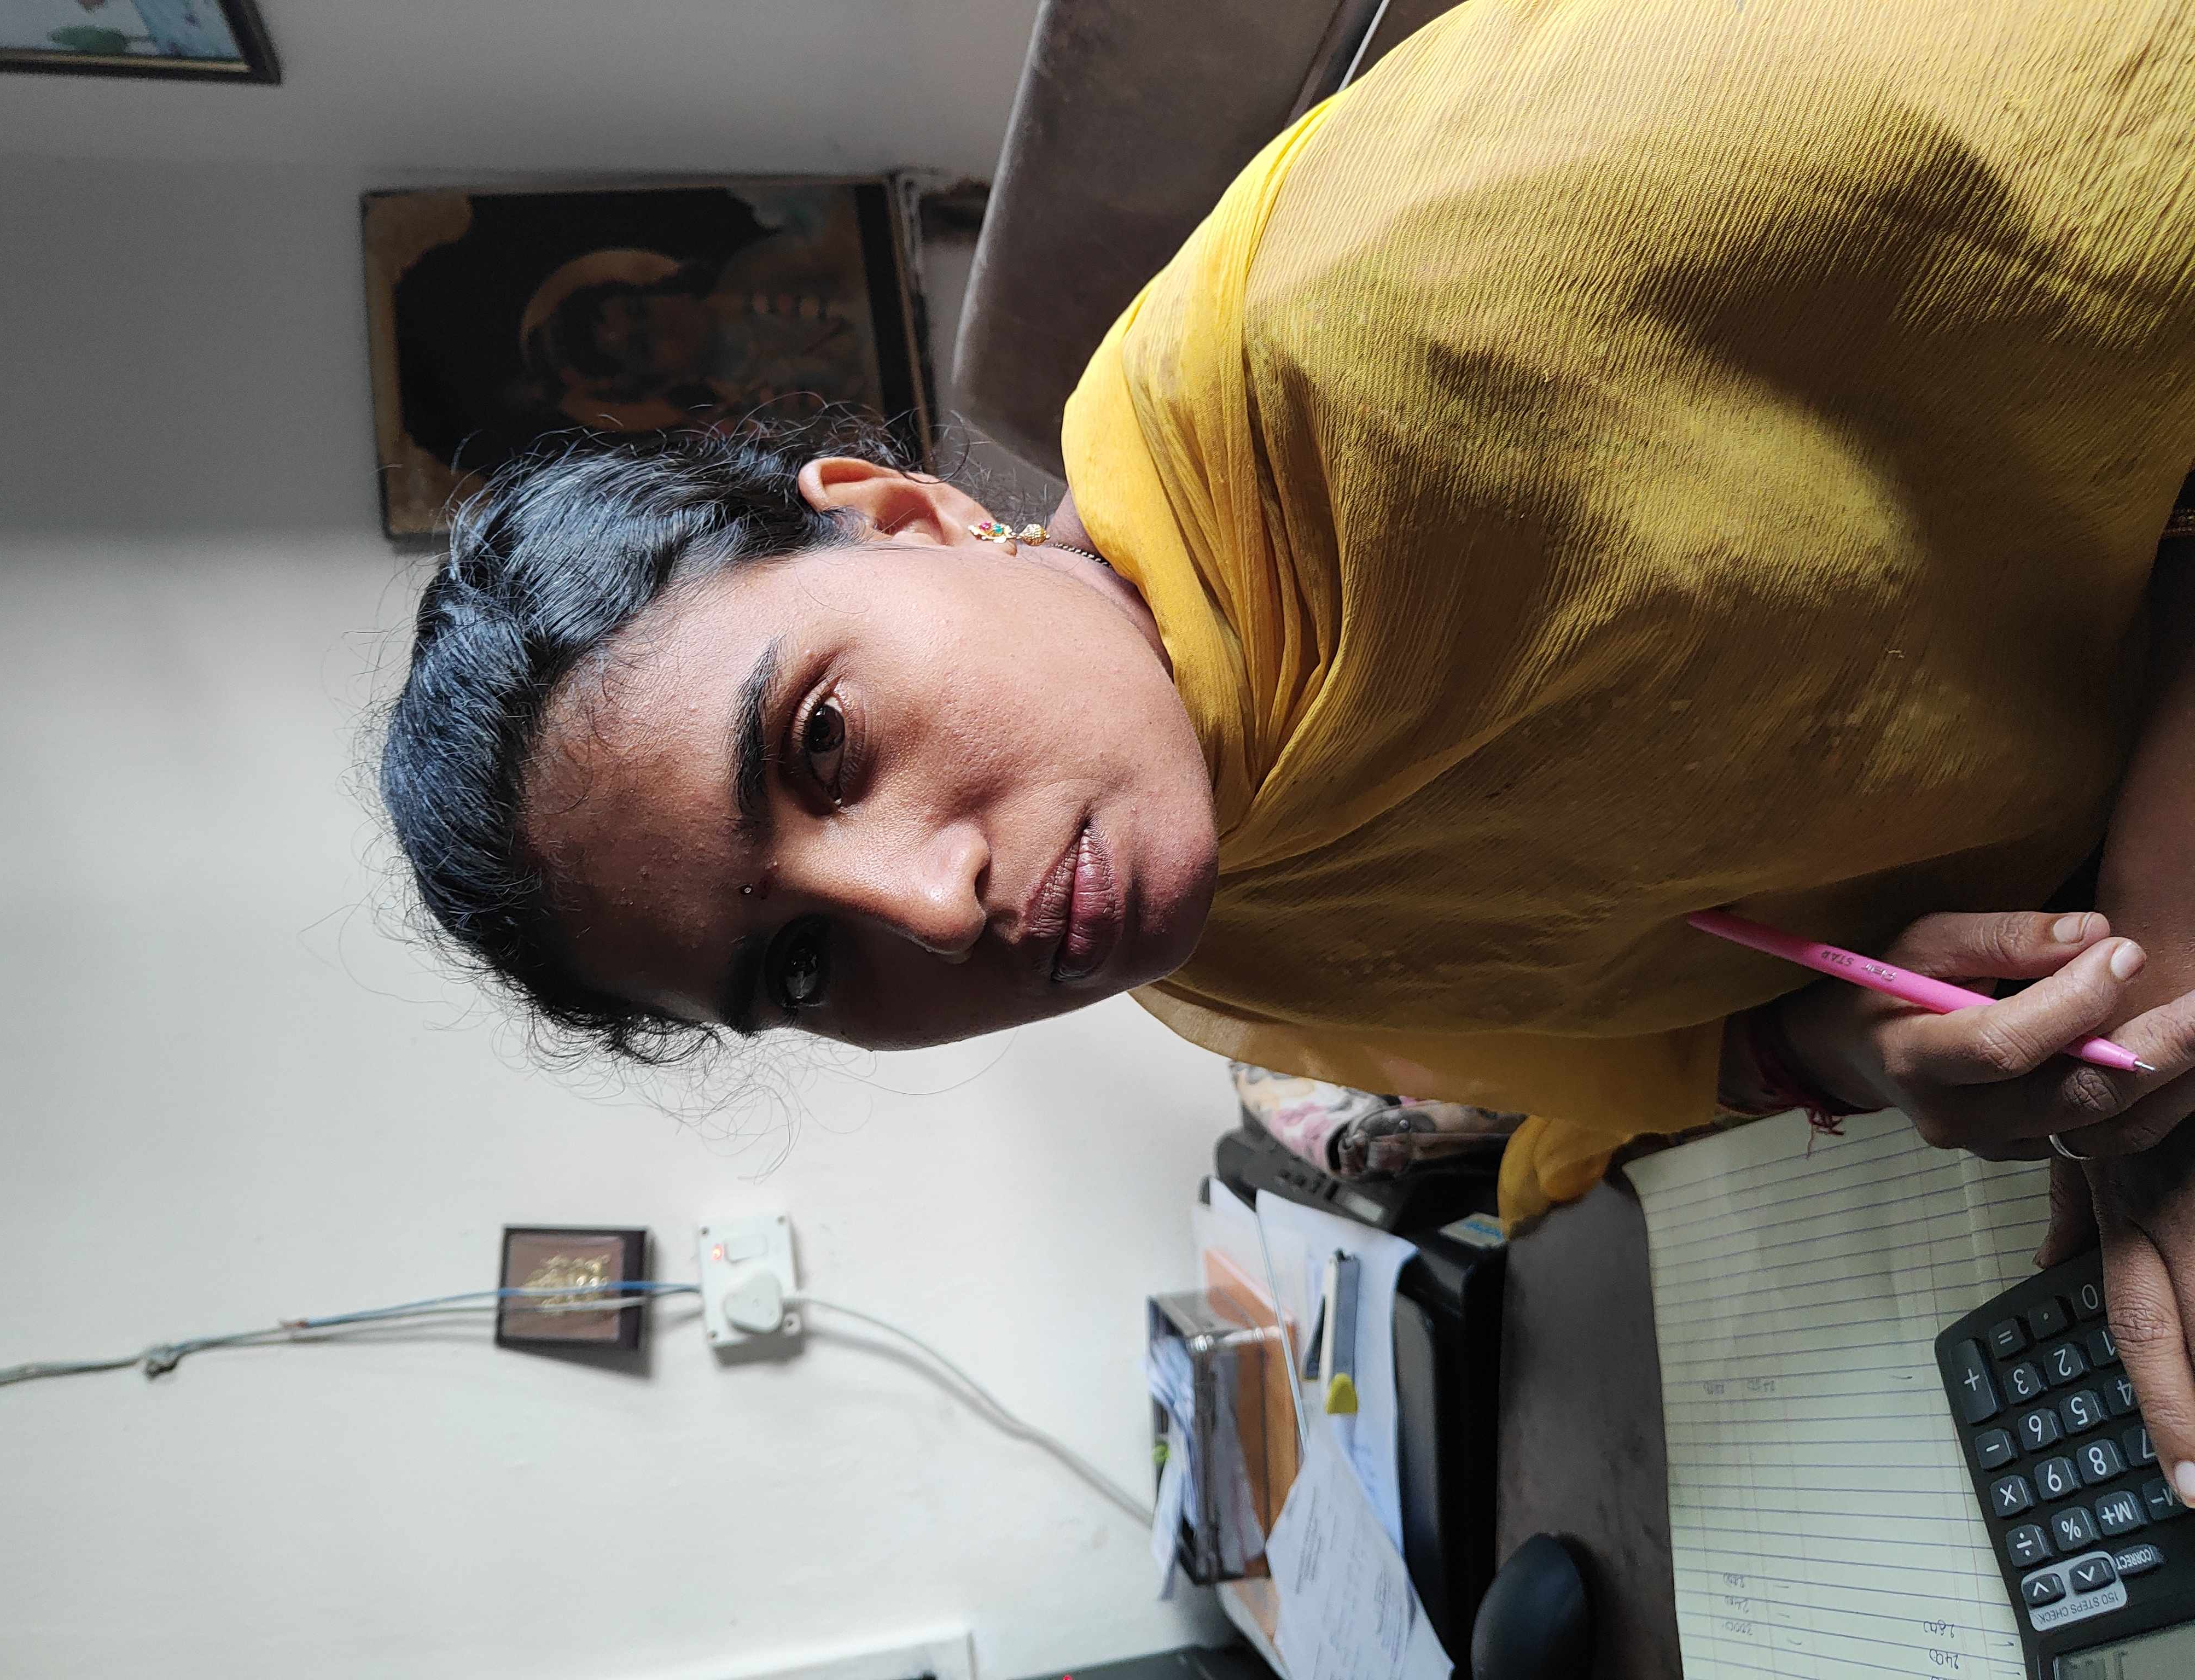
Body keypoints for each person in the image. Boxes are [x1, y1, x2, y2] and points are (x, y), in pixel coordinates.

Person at [380, 1, 2195, 1487]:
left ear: (905, 516)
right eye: (795, 965)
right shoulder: (1211, 954)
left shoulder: (1464, 268)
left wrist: (2165, 909)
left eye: (825, 742)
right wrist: (1882, 1053)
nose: (931, 914)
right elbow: (1701, 1038)